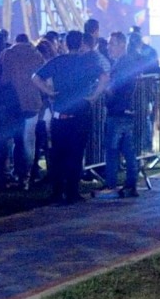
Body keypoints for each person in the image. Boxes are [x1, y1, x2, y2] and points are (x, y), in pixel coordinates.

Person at [33, 31, 106, 206]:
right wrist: (94, 96)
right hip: (80, 114)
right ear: (81, 43)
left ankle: (57, 192)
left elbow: (35, 77)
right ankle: (73, 192)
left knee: (58, 154)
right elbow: (104, 76)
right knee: (76, 154)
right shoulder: (87, 62)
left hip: (60, 115)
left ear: (65, 44)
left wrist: (49, 92)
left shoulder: (58, 62)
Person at [101, 32, 149, 199]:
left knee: (112, 150)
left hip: (118, 111)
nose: (108, 47)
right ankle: (130, 184)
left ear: (122, 45)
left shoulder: (122, 64)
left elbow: (114, 88)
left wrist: (103, 86)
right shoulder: (125, 63)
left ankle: (112, 185)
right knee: (129, 151)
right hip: (126, 111)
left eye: (112, 44)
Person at [0, 32, 46, 187]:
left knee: (7, 139)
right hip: (33, 101)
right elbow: (43, 76)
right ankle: (26, 174)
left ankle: (4, 174)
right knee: (28, 139)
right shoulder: (37, 55)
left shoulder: (7, 54)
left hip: (13, 102)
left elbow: (3, 78)